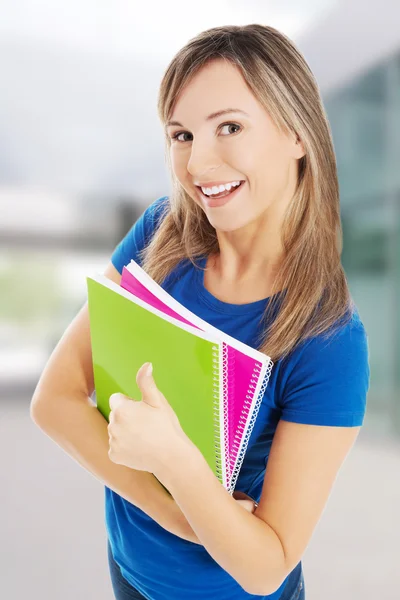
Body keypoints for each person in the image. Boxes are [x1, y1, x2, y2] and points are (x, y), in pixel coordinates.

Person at [30, 23, 370, 600]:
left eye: (230, 127)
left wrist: (173, 461)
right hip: (131, 571)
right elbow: (54, 401)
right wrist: (178, 515)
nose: (198, 164)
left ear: (296, 133)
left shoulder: (329, 338)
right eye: (182, 134)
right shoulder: (159, 235)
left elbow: (266, 568)